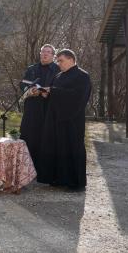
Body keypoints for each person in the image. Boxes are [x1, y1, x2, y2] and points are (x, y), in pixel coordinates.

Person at [36, 49, 91, 191]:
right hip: (56, 119)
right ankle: (58, 178)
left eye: (61, 60)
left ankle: (74, 182)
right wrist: (45, 93)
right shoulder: (58, 76)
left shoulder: (82, 76)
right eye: (58, 61)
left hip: (72, 119)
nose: (58, 64)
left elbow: (78, 96)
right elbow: (54, 96)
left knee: (72, 147)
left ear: (71, 59)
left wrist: (53, 91)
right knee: (56, 148)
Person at [19, 44, 60, 170]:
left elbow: (60, 88)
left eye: (48, 52)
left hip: (48, 109)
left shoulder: (58, 70)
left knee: (45, 137)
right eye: (43, 52)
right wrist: (30, 90)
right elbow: (22, 84)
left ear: (53, 56)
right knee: (29, 136)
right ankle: (26, 168)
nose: (45, 54)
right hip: (31, 108)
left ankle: (43, 169)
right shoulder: (31, 69)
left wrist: (48, 91)